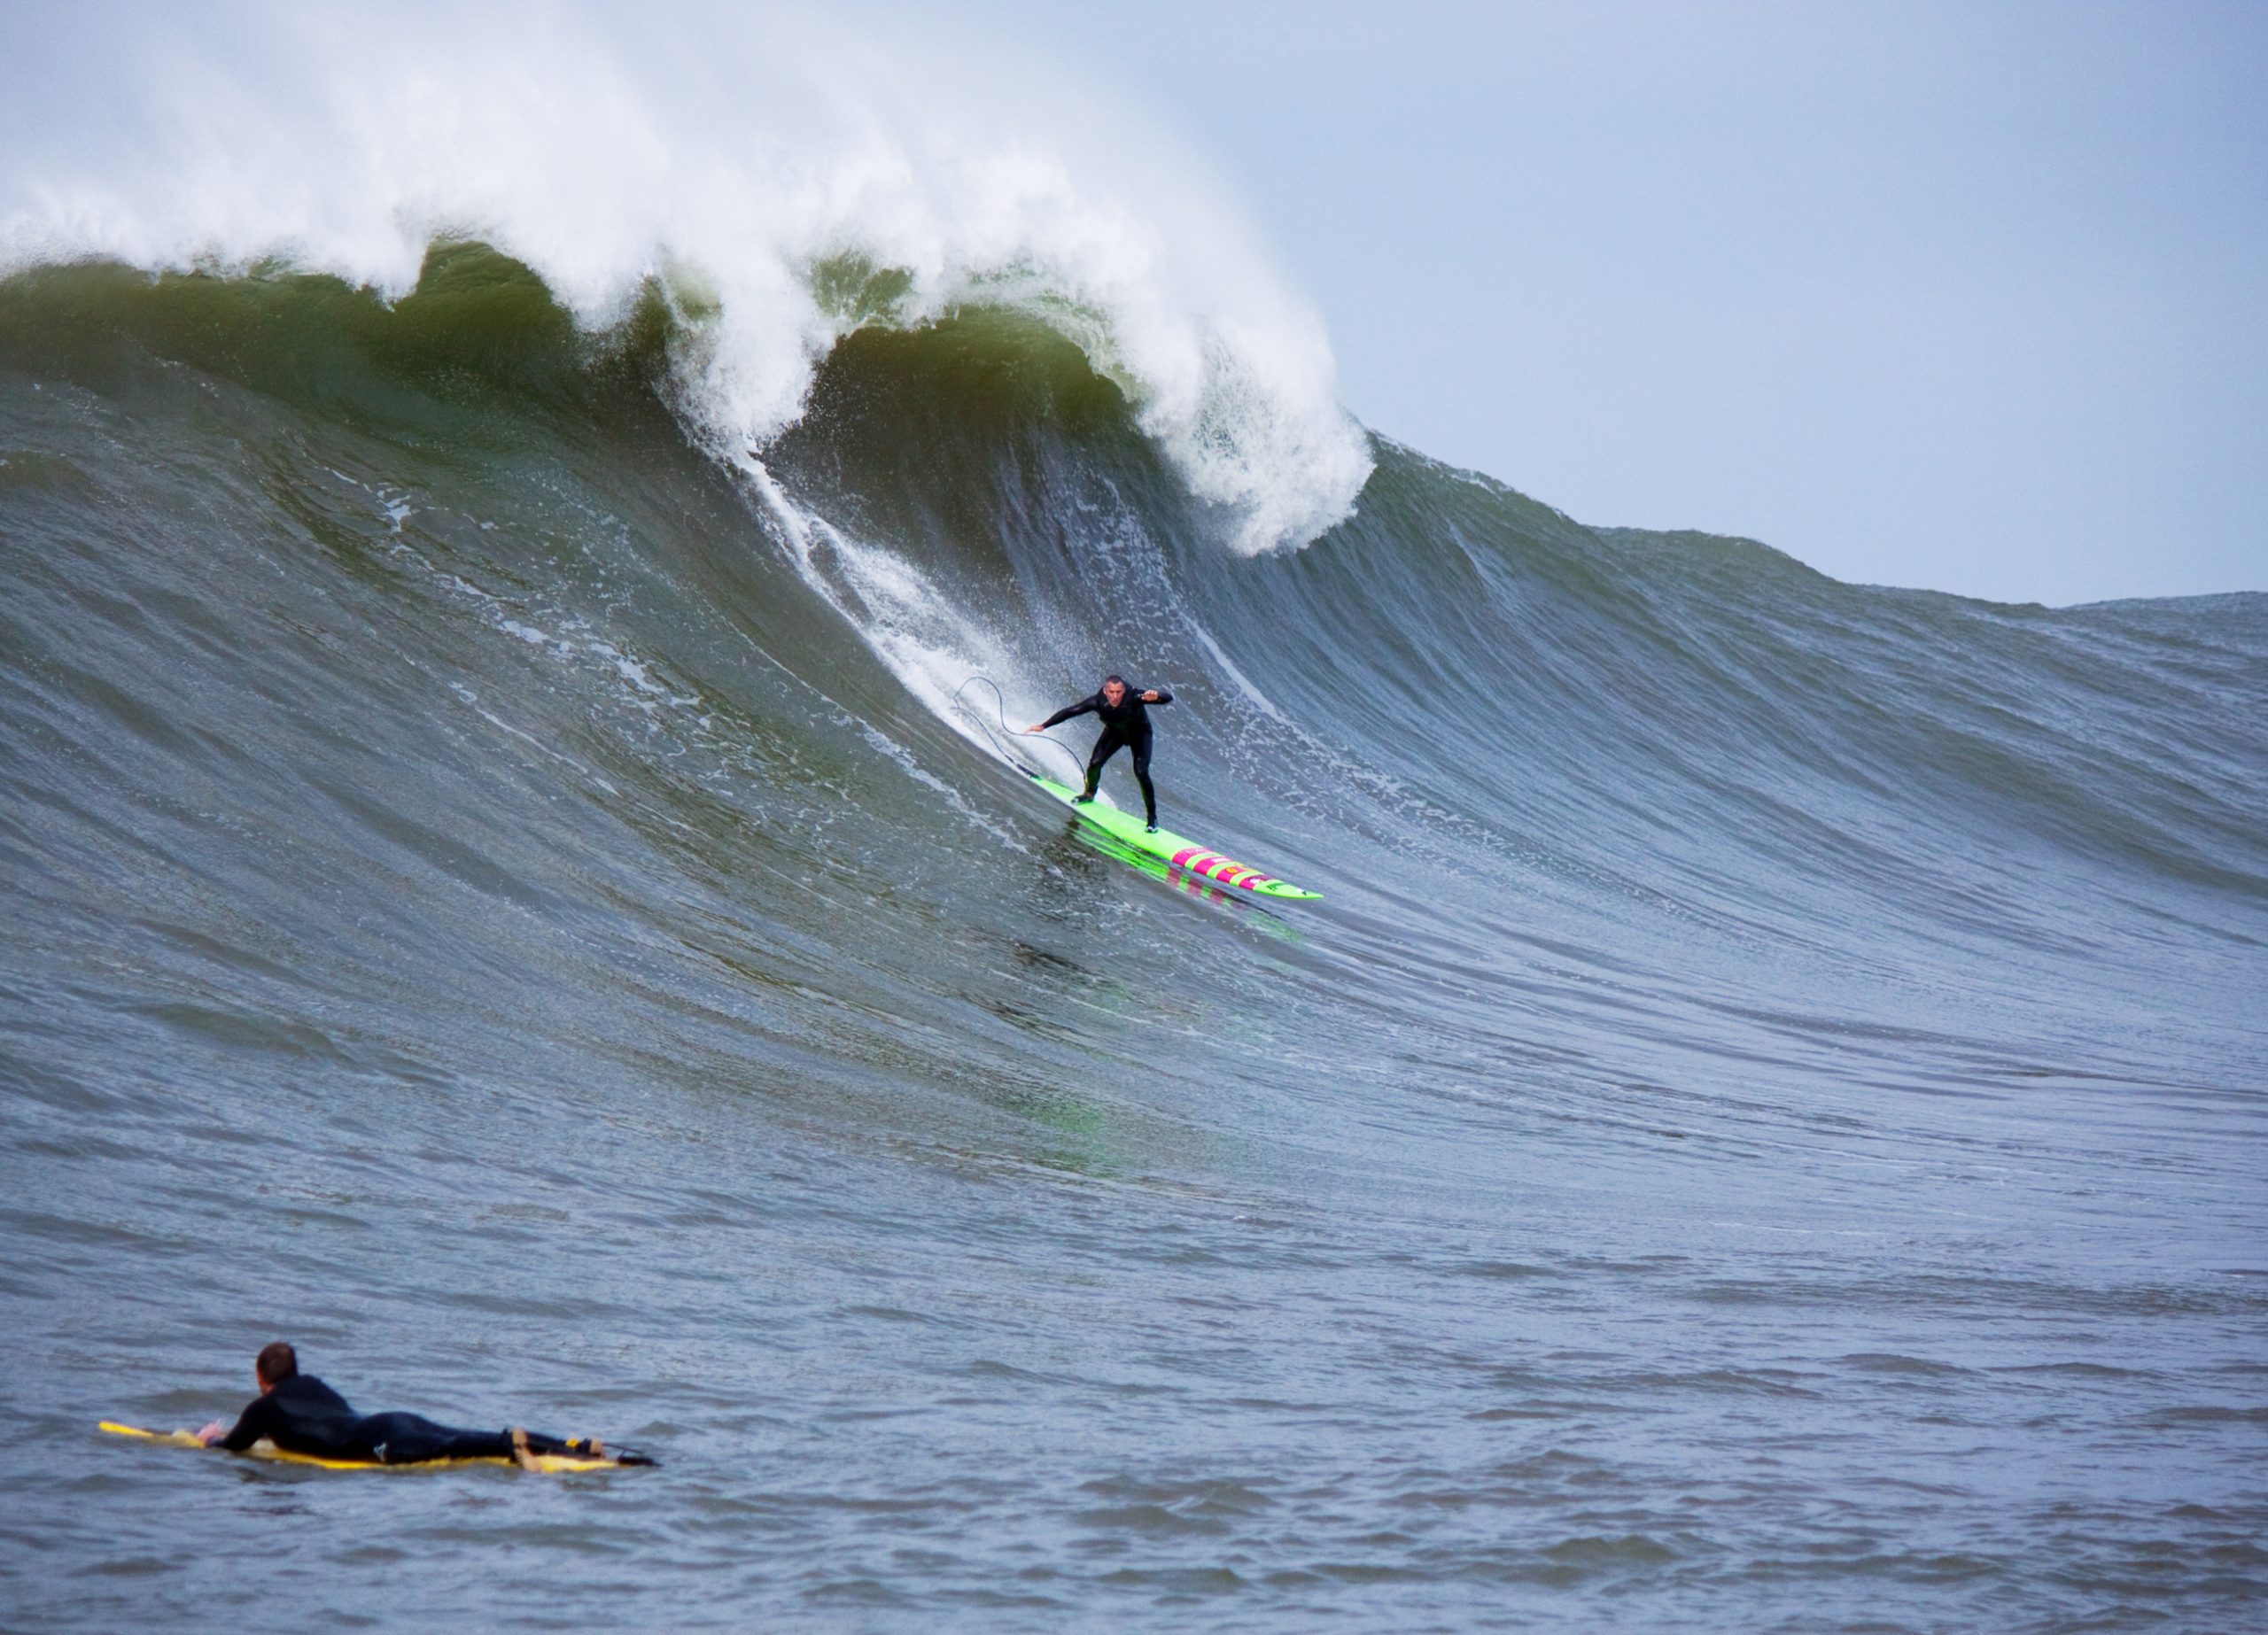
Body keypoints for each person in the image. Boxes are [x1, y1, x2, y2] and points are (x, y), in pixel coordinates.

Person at [195, 1341, 646, 1468]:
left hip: (374, 1444)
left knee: (463, 1447)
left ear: (261, 1379)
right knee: (459, 1435)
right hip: (390, 1417)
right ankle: (575, 1446)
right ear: (294, 1372)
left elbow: (234, 1447)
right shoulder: (312, 1383)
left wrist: (207, 1440)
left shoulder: (262, 1409)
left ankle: (513, 1444)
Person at [1026, 674, 1173, 831]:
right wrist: (1043, 726)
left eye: (1119, 692)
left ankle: (1152, 819)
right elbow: (1071, 711)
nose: (1115, 696)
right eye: (1111, 692)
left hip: (1140, 734)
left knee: (1141, 771)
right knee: (1095, 764)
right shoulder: (1097, 701)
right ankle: (1089, 794)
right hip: (1115, 732)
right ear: (1105, 691)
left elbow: (1167, 698)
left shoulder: (1135, 696)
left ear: (1124, 691)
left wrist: (1157, 696)